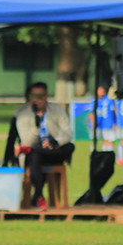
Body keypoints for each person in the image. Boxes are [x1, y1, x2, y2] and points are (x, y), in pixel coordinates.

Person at [14, 82, 74, 211]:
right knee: (34, 154)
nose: (37, 99)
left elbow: (68, 133)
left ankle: (39, 196)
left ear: (46, 96)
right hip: (35, 153)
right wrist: (37, 126)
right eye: (33, 96)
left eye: (40, 96)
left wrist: (55, 142)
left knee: (70, 146)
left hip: (55, 152)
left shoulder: (57, 111)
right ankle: (39, 195)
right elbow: (27, 142)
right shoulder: (22, 115)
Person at [89, 84, 118, 152]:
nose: (102, 92)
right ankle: (94, 154)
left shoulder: (108, 100)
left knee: (108, 140)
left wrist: (114, 123)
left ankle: (106, 154)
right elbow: (91, 113)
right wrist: (93, 123)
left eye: (103, 91)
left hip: (107, 124)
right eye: (100, 91)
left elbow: (113, 112)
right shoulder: (94, 100)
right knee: (96, 140)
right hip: (98, 124)